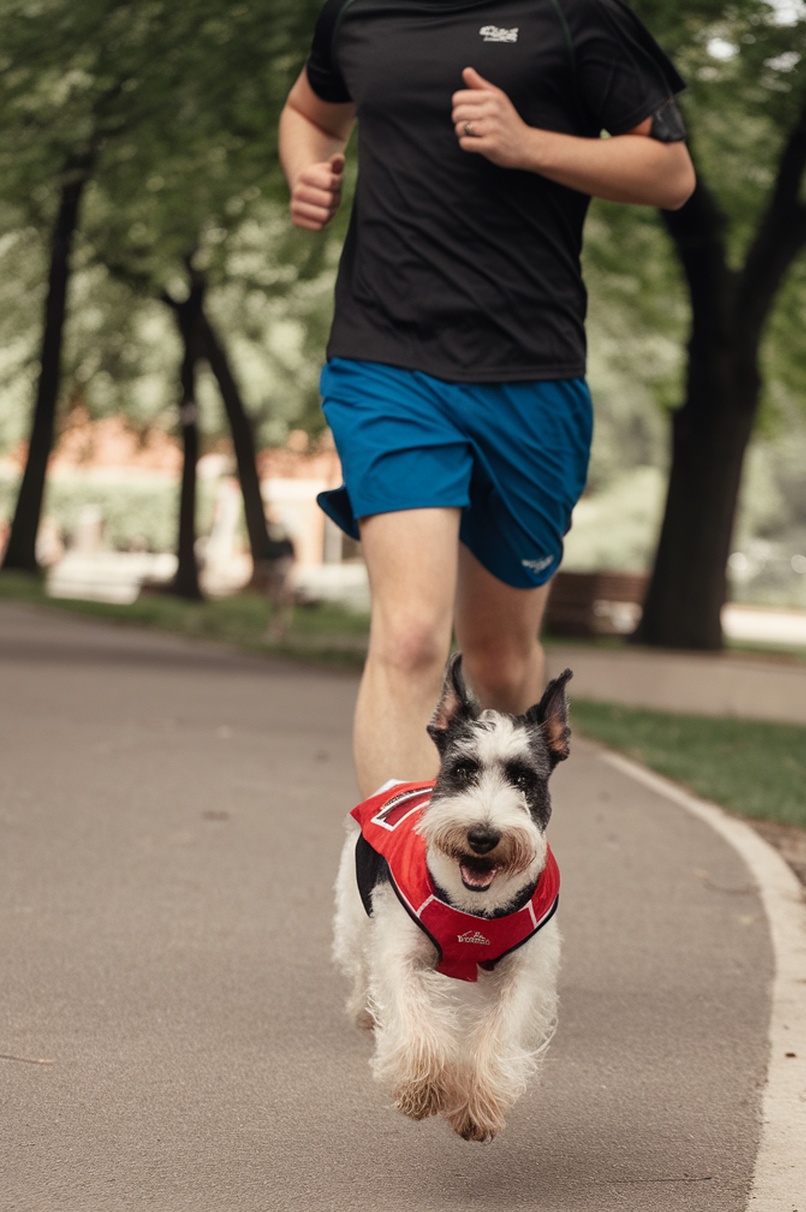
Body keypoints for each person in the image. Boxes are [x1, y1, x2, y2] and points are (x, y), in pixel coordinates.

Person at [279, 0, 694, 796]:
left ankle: (499, 852)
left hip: (528, 374)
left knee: (501, 667)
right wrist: (306, 167)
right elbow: (309, 110)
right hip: (385, 359)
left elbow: (670, 172)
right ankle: (402, 896)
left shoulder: (577, 17)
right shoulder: (357, 12)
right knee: (407, 639)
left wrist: (529, 144)